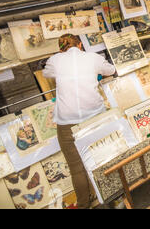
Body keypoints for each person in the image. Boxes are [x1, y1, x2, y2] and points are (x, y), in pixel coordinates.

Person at [42, 34, 116, 208]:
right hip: (95, 117)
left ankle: (84, 204)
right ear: (81, 44)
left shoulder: (55, 60)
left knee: (77, 168)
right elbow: (111, 70)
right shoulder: (92, 57)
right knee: (102, 157)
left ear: (60, 48)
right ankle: (113, 195)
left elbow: (46, 73)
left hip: (67, 123)